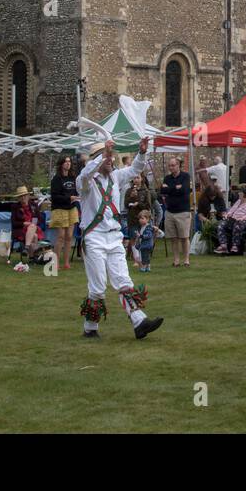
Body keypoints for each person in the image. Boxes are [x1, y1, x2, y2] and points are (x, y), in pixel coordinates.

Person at [77, 139, 163, 340]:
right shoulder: (85, 182)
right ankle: (90, 327)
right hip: (94, 238)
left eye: (110, 156)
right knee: (98, 288)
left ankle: (139, 322)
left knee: (124, 281)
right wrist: (101, 156)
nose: (110, 159)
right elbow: (86, 173)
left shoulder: (116, 177)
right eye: (104, 156)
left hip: (115, 238)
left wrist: (141, 153)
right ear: (96, 160)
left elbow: (135, 169)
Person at [160, 156, 193, 268]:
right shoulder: (167, 178)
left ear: (178, 166)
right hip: (170, 211)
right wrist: (175, 188)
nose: (171, 167)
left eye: (173, 165)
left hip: (183, 211)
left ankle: (186, 260)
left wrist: (170, 189)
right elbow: (163, 191)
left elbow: (184, 190)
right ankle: (176, 260)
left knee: (184, 237)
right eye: (169, 165)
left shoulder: (185, 176)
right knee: (173, 238)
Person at [50, 155, 80, 270]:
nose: (68, 163)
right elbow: (55, 196)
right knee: (61, 237)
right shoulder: (57, 179)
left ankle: (66, 263)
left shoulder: (73, 177)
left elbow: (77, 191)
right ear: (61, 164)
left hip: (71, 209)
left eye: (69, 161)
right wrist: (69, 198)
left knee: (69, 236)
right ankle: (55, 263)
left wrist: (76, 197)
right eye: (66, 162)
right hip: (59, 208)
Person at [11, 186, 42, 257]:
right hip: (21, 230)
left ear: (28, 196)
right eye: (21, 196)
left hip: (33, 228)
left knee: (32, 226)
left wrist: (33, 223)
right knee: (34, 236)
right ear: (18, 198)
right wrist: (23, 223)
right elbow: (14, 223)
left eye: (24, 195)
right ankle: (33, 257)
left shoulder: (34, 205)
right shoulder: (15, 207)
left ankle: (26, 247)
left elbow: (39, 219)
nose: (23, 198)